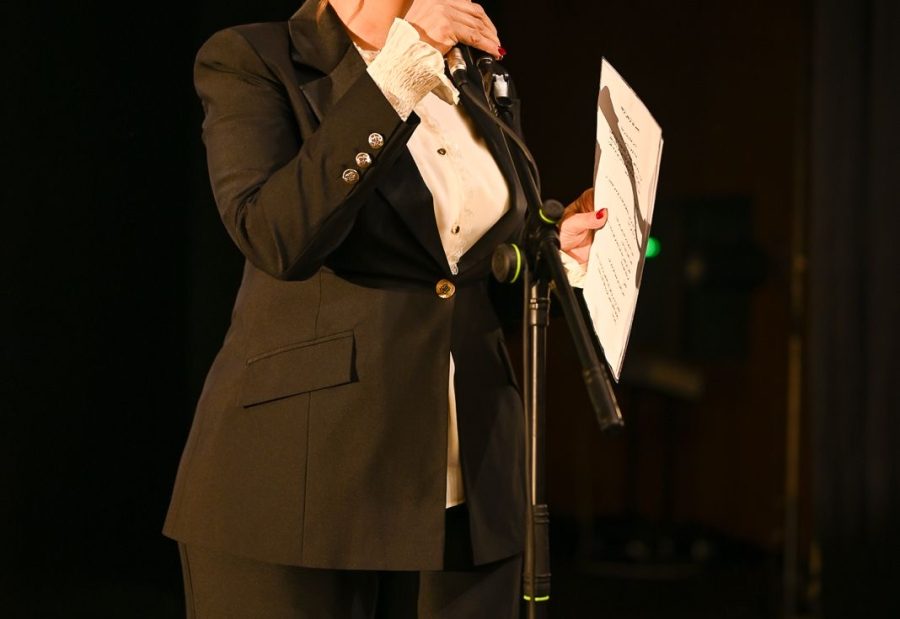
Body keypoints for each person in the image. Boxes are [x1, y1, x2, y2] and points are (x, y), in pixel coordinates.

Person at [162, 0, 606, 616]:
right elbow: (278, 237)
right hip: (305, 478)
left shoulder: (471, 74)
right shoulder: (254, 58)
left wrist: (555, 254)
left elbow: (460, 278)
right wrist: (398, 70)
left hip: (469, 480)